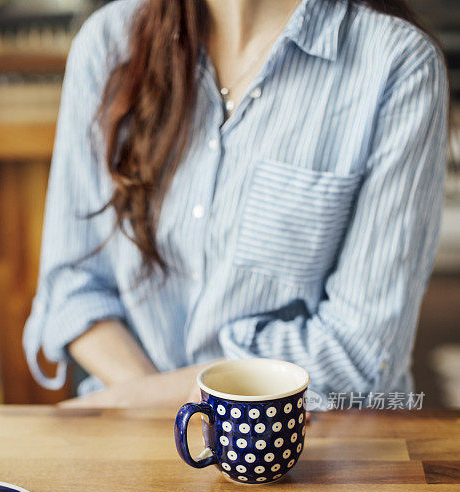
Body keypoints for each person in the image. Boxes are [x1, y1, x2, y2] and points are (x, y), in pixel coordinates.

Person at [23, 0, 451, 408]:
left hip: (313, 449)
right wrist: (149, 402)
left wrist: (135, 401)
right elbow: (72, 285)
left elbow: (358, 353)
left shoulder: (398, 65)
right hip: (130, 430)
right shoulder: (108, 42)